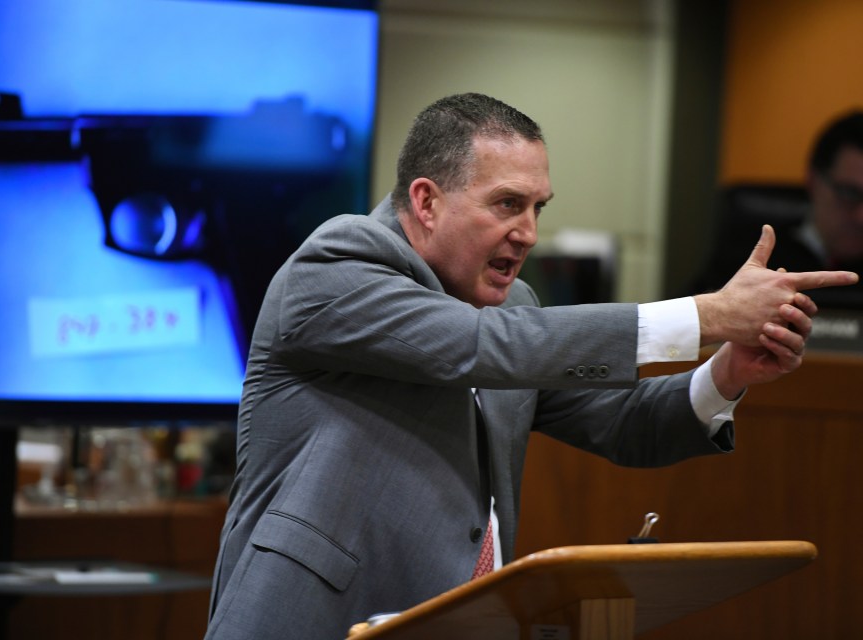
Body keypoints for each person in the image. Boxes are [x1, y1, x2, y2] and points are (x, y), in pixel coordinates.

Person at [204, 93, 857, 640]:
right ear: (427, 202)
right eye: (507, 204)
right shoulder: (337, 266)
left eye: (538, 207)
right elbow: (483, 345)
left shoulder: (512, 309)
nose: (529, 233)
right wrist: (705, 315)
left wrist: (728, 371)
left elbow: (625, 422)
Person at [690, 109, 863, 307]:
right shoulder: (750, 258)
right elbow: (696, 323)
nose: (861, 216)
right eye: (850, 193)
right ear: (814, 180)